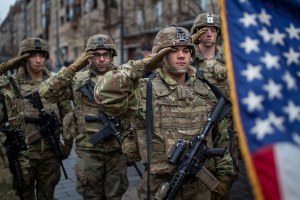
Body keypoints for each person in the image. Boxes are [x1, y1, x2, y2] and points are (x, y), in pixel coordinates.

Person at [94, 25, 236, 200]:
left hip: (202, 187)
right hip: (159, 188)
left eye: (186, 50)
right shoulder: (144, 91)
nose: (182, 55)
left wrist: (223, 182)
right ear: (160, 55)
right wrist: (144, 64)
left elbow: (222, 141)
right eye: (173, 50)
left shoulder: (206, 90)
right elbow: (103, 94)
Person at [39, 34, 129, 200]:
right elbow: (46, 93)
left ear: (111, 56)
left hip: (117, 151)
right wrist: (74, 66)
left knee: (115, 195)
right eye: (96, 55)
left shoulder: (122, 78)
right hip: (88, 151)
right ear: (88, 57)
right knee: (90, 196)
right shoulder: (76, 79)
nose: (101, 59)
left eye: (105, 55)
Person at [0, 37, 74, 200]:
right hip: (22, 156)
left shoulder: (55, 83)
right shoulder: (11, 84)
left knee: (47, 195)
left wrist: (67, 144)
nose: (38, 60)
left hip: (50, 154)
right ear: (23, 58)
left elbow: (67, 113)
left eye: (42, 55)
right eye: (33, 56)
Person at [191, 13, 240, 199]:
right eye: (205, 30)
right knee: (196, 176)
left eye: (213, 30)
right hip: (197, 126)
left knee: (228, 174)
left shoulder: (230, 61)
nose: (209, 34)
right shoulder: (187, 60)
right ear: (196, 33)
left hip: (226, 129)